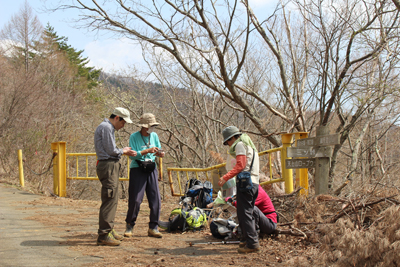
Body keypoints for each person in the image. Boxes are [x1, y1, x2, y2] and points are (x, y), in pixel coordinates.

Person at [94, 107, 137, 246]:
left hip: (109, 166)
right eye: (123, 122)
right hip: (108, 165)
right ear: (117, 118)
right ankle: (104, 234)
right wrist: (123, 151)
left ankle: (109, 230)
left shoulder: (107, 127)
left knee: (112, 198)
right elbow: (111, 150)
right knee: (110, 198)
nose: (123, 126)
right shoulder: (106, 127)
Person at [218, 126, 260, 253]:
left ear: (232, 138)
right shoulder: (250, 146)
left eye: (228, 142)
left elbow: (240, 165)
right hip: (255, 183)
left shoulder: (240, 145)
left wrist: (225, 177)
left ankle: (252, 244)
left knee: (244, 214)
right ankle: (246, 240)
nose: (228, 145)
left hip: (246, 183)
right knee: (249, 212)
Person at [124, 113, 165, 238]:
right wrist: (147, 151)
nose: (152, 128)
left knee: (155, 199)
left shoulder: (154, 136)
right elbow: (132, 154)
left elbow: (159, 149)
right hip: (138, 168)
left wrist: (160, 153)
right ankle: (130, 225)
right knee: (136, 199)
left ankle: (153, 227)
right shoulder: (134, 137)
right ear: (145, 126)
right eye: (151, 126)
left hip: (151, 168)